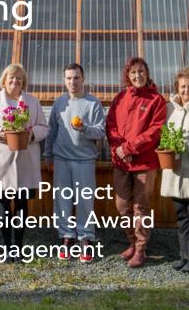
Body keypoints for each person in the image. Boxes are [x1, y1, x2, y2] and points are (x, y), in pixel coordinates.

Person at [0, 64, 48, 260]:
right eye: (11, 78)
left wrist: (32, 134)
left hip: (25, 159)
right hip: (1, 160)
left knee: (22, 204)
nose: (15, 82)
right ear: (4, 80)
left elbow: (44, 126)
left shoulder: (32, 102)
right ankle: (7, 248)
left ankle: (19, 245)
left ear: (23, 82)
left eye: (18, 79)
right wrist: (1, 133)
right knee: (4, 205)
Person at [106, 57, 166, 268]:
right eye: (133, 72)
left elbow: (155, 131)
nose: (137, 76)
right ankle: (132, 241)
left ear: (147, 73)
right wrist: (119, 149)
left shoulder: (156, 100)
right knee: (122, 205)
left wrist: (129, 148)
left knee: (141, 206)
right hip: (122, 161)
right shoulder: (120, 98)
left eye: (141, 72)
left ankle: (141, 248)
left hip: (144, 162)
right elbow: (111, 126)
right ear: (128, 76)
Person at [44, 63, 105, 263]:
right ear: (64, 80)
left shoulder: (93, 103)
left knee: (85, 200)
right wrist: (48, 155)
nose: (72, 82)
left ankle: (86, 237)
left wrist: (84, 128)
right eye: (69, 78)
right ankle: (66, 237)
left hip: (85, 160)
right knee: (62, 200)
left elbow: (100, 132)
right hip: (62, 158)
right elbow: (52, 130)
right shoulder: (59, 103)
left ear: (83, 79)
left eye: (76, 78)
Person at [161, 67, 189, 274]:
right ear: (177, 88)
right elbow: (166, 139)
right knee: (182, 218)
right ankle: (184, 256)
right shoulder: (173, 111)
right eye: (183, 86)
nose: (186, 90)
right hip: (175, 175)